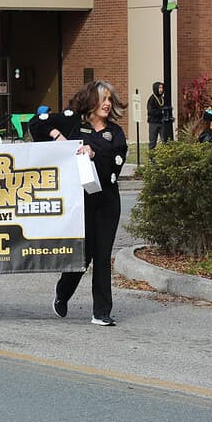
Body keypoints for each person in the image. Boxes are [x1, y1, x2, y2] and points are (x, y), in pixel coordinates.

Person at [52, 81, 128, 326]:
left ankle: (101, 312)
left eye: (109, 99)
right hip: (81, 201)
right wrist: (57, 136)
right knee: (83, 257)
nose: (107, 104)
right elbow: (38, 123)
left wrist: (94, 152)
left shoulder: (115, 133)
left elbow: (116, 161)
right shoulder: (75, 125)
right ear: (91, 102)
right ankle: (62, 294)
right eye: (102, 99)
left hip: (107, 200)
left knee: (103, 256)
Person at [146, 81, 168, 148]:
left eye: (162, 88)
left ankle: (164, 156)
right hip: (153, 123)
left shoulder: (163, 99)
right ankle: (152, 157)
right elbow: (150, 111)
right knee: (152, 141)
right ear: (155, 89)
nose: (161, 90)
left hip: (162, 122)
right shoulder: (152, 99)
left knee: (165, 140)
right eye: (159, 88)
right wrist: (161, 112)